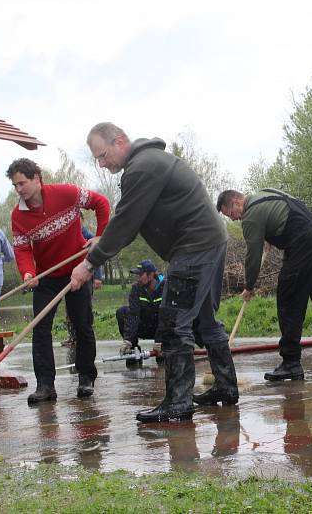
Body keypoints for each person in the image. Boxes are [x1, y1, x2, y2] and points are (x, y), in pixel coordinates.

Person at [70, 122, 236, 423]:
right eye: (97, 159)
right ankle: (226, 388)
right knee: (205, 321)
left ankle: (178, 403)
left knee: (174, 326)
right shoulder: (150, 162)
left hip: (194, 248)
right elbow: (129, 221)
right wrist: (102, 240)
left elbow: (126, 223)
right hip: (210, 242)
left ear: (119, 141)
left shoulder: (141, 167)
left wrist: (88, 264)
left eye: (103, 155)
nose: (102, 163)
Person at [216, 188, 312, 381]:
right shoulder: (266, 194)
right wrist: (268, 235)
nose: (234, 219)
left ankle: (291, 363)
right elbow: (285, 214)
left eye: (231, 214)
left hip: (303, 243)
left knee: (288, 302)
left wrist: (249, 286)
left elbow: (252, 255)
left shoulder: (251, 215)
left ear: (236, 201)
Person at [7, 158, 111, 405]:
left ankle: (86, 377)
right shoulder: (18, 216)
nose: (19, 189)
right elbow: (22, 249)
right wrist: (28, 274)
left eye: (22, 183)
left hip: (78, 270)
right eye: (15, 185)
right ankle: (45, 385)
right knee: (40, 329)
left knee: (82, 325)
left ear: (36, 178)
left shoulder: (67, 193)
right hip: (46, 276)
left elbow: (101, 203)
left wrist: (100, 236)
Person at [116, 259, 164, 364]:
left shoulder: (166, 287)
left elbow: (167, 317)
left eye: (140, 275)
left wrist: (160, 341)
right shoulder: (136, 288)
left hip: (162, 329)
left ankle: (164, 347)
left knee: (163, 362)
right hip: (144, 326)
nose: (138, 278)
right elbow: (133, 315)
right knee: (122, 312)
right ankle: (133, 349)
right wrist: (128, 340)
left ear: (151, 275)